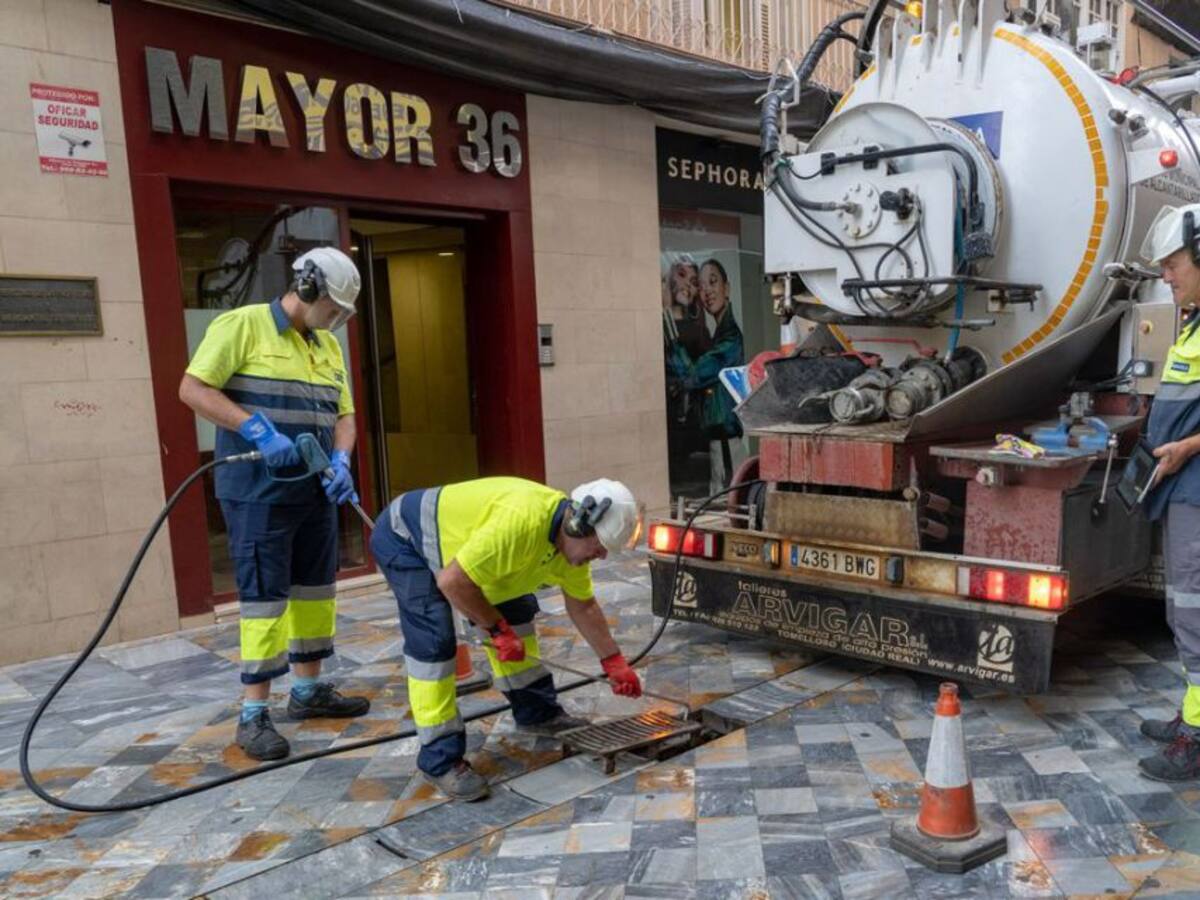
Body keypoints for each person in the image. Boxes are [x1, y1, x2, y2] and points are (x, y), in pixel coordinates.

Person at [179, 246, 371, 761]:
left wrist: (342, 460)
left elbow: (345, 414)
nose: (334, 322)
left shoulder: (326, 347)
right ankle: (254, 713)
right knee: (265, 600)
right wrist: (255, 429)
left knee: (314, 592)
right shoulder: (241, 326)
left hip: (315, 492)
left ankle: (307, 693)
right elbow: (193, 389)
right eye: (331, 310)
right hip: (258, 493)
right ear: (306, 288)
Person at [369, 476, 645, 801]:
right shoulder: (519, 524)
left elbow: (583, 605)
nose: (600, 557)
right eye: (599, 548)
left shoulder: (569, 550)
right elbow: (453, 582)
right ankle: (439, 758)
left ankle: (536, 712)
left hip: (474, 561)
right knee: (435, 643)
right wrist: (496, 630)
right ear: (577, 526)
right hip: (406, 538)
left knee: (518, 616)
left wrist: (613, 661)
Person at [1136, 203, 1200, 782]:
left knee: (1194, 608)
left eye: (1174, 263)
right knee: (1185, 608)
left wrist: (1186, 447)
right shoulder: (1195, 321)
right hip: (1181, 487)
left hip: (1197, 489)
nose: (1166, 275)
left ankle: (1199, 739)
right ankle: (1192, 716)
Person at [670, 258, 747, 494]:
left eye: (712, 282)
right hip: (719, 444)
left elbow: (692, 375)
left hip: (726, 444)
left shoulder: (730, 338)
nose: (706, 292)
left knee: (728, 504)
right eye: (701, 286)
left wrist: (670, 332)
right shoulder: (715, 335)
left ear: (727, 287)